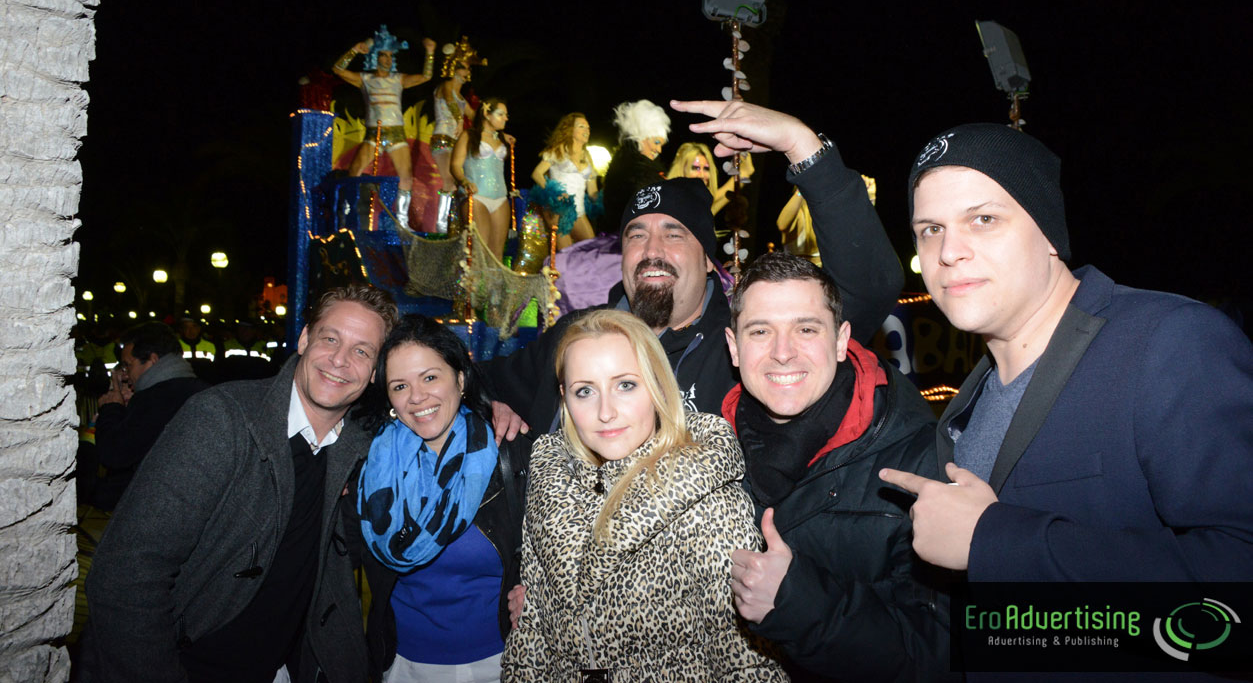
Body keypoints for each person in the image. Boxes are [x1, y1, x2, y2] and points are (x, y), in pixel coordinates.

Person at [879, 123, 1253, 582]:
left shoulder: (1168, 342)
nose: (949, 251)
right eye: (931, 229)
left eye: (983, 219)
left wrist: (995, 541)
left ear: (1050, 233)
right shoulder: (971, 404)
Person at [485, 99, 903, 437]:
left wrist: (801, 145)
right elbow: (470, 381)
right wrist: (497, 403)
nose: (651, 250)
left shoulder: (743, 348)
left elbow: (870, 288)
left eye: (673, 233)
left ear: (707, 257)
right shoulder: (574, 337)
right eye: (635, 235)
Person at [83, 284, 399, 683]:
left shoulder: (361, 448)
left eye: (361, 351)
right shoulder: (221, 419)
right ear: (303, 339)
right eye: (330, 338)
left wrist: (489, 407)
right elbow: (124, 575)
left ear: (374, 372)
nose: (339, 360)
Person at [501, 310, 785, 681]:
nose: (605, 412)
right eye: (585, 391)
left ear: (658, 388)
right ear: (564, 398)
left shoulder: (705, 499)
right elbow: (531, 637)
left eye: (625, 385)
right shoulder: (552, 483)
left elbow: (746, 663)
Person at [723, 253, 950, 682]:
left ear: (842, 340)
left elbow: (941, 652)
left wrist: (798, 603)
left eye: (806, 329)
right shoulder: (708, 459)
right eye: (760, 331)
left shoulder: (918, 464)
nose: (783, 353)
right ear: (734, 347)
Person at [348, 315, 531, 682]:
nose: (417, 397)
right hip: (401, 664)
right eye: (400, 386)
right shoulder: (368, 466)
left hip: (500, 662)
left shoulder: (509, 453)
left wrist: (539, 590)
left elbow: (559, 549)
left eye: (430, 377)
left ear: (460, 379)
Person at [92, 321, 209, 511]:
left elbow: (113, 453)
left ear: (152, 360)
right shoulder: (198, 390)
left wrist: (112, 407)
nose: (127, 374)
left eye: (128, 365)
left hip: (157, 510)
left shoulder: (157, 398)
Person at [332, 26, 439, 230]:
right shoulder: (365, 79)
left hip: (396, 134)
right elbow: (337, 69)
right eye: (383, 55)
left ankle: (403, 221)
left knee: (406, 176)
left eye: (390, 56)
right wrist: (354, 49)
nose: (388, 59)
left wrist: (431, 53)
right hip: (373, 134)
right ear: (375, 57)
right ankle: (346, 213)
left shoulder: (398, 79)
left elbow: (425, 76)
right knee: (354, 170)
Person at [452, 98, 517, 262]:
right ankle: (473, 287)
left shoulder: (502, 138)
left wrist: (504, 136)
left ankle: (493, 288)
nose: (506, 118)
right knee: (478, 251)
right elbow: (454, 165)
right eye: (501, 114)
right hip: (477, 197)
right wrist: (464, 181)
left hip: (500, 199)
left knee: (497, 254)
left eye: (507, 115)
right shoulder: (469, 135)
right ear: (487, 114)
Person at [529, 112, 600, 249]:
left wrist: (604, 200)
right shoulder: (559, 150)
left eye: (588, 128)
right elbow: (537, 174)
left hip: (579, 212)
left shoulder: (588, 156)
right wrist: (555, 194)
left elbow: (592, 190)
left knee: (592, 250)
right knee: (565, 256)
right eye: (581, 127)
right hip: (559, 211)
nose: (586, 131)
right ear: (570, 130)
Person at [600, 99, 670, 229]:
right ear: (640, 138)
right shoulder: (634, 171)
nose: (659, 150)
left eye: (661, 144)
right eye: (656, 143)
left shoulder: (633, 166)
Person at [432, 36, 487, 192]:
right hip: (442, 138)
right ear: (454, 69)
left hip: (456, 143)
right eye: (464, 67)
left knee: (457, 181)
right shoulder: (446, 85)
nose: (468, 71)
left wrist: (487, 112)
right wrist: (459, 120)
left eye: (469, 68)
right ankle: (443, 217)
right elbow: (449, 100)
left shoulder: (462, 98)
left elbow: (474, 116)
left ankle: (454, 216)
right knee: (450, 179)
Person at [666, 140, 753, 216]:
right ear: (682, 170)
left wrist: (740, 143)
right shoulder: (668, 203)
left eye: (706, 169)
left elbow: (745, 173)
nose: (702, 175)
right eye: (695, 168)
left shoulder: (705, 209)